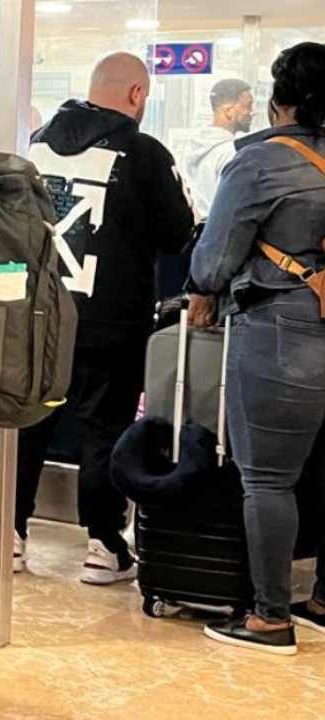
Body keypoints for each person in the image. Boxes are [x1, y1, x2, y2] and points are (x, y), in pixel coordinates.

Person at [15, 52, 195, 582]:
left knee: (29, 425)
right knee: (104, 429)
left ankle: (13, 538)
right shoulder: (144, 154)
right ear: (137, 95)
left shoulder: (36, 146)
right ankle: (103, 546)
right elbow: (178, 233)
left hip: (40, 316)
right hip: (113, 320)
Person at [190, 42, 325, 656]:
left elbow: (213, 260)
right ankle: (321, 599)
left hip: (283, 330)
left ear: (279, 101)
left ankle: (270, 617)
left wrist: (205, 290)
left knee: (269, 478)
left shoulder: (263, 162)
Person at [181, 78, 254, 220]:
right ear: (228, 110)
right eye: (248, 106)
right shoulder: (231, 153)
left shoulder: (192, 147)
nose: (252, 112)